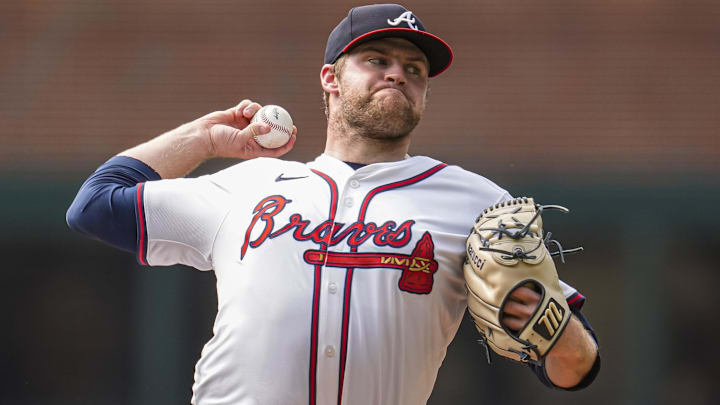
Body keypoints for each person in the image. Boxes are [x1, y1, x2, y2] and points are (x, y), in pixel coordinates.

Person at [67, 4, 600, 405]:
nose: (398, 74)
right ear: (330, 79)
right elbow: (94, 205)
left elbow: (576, 368)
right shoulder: (249, 184)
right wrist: (204, 139)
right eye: (377, 60)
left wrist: (547, 322)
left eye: (415, 69)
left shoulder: (477, 203)